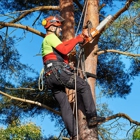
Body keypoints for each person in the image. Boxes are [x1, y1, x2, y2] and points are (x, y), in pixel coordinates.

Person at [41, 14, 105, 140]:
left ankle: (74, 135)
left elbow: (57, 56)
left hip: (50, 77)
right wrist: (78, 38)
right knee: (83, 86)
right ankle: (92, 117)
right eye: (59, 27)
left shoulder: (48, 42)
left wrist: (67, 66)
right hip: (56, 72)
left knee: (64, 104)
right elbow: (65, 50)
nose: (60, 30)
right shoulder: (51, 37)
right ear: (53, 27)